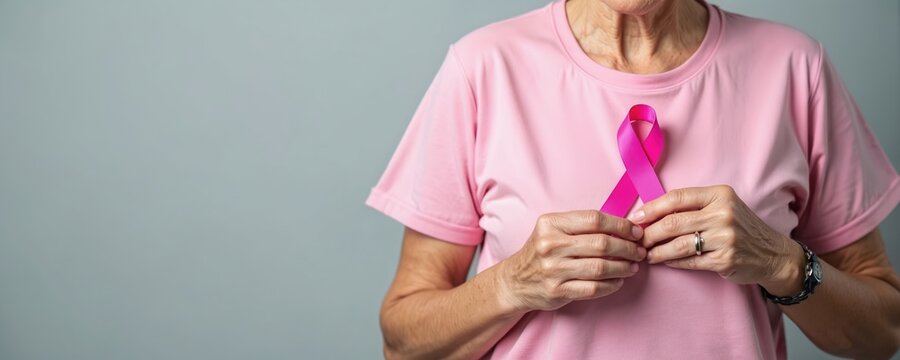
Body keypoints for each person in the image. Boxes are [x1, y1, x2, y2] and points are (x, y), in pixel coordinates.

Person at [365, 0, 900, 358]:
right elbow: (403, 340)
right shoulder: (482, 68)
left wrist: (780, 262)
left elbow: (884, 331)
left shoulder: (794, 67)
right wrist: (511, 283)